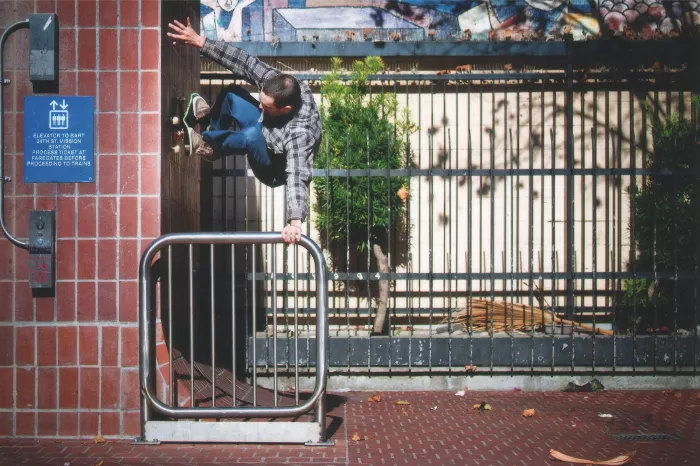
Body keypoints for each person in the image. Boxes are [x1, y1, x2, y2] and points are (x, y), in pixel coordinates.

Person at [167, 18, 322, 245]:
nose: (260, 106)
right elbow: (245, 62)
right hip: (264, 129)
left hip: (272, 167)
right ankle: (211, 128)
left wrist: (295, 222)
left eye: (267, 106)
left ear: (286, 108)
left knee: (251, 136)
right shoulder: (279, 82)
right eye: (262, 100)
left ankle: (207, 144)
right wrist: (201, 42)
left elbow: (298, 175)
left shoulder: (301, 131)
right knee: (232, 95)